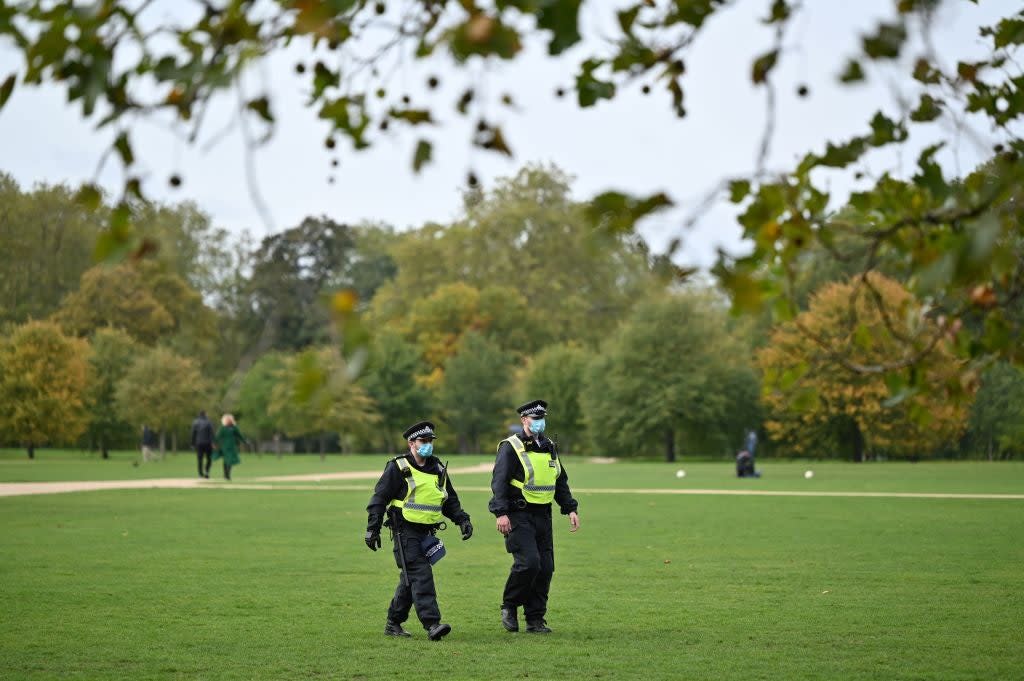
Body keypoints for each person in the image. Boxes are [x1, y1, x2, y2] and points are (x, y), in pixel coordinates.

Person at [364, 421, 473, 641]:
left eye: (430, 441)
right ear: (411, 443)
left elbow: (449, 500)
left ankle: (393, 622)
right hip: (405, 531)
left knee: (410, 579)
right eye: (423, 441)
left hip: (427, 534)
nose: (428, 446)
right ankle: (432, 624)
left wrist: (462, 520)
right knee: (421, 575)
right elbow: (379, 498)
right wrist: (372, 528)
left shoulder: (439, 468)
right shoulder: (398, 467)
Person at [489, 399, 579, 634]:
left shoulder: (549, 446)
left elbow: (559, 479)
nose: (539, 422)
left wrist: (570, 508)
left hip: (544, 516)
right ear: (524, 420)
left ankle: (535, 619)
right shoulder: (511, 446)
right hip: (518, 514)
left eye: (542, 418)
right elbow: (499, 482)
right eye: (535, 418)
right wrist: (501, 513)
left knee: (546, 568)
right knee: (529, 563)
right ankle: (509, 605)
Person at [212, 414, 246, 481]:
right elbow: (218, 437)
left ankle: (227, 474)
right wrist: (214, 443)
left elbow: (239, 435)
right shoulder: (223, 428)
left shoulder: (234, 428)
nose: (229, 421)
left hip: (232, 447)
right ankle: (226, 474)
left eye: (230, 419)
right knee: (226, 460)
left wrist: (244, 441)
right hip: (224, 447)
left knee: (230, 461)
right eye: (227, 420)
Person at [190, 410, 215, 479]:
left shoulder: (195, 422)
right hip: (208, 443)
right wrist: (213, 442)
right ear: (205, 414)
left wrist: (192, 443)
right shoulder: (209, 422)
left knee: (200, 459)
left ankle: (200, 474)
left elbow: (193, 434)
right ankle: (207, 471)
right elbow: (212, 433)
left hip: (199, 443)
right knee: (209, 458)